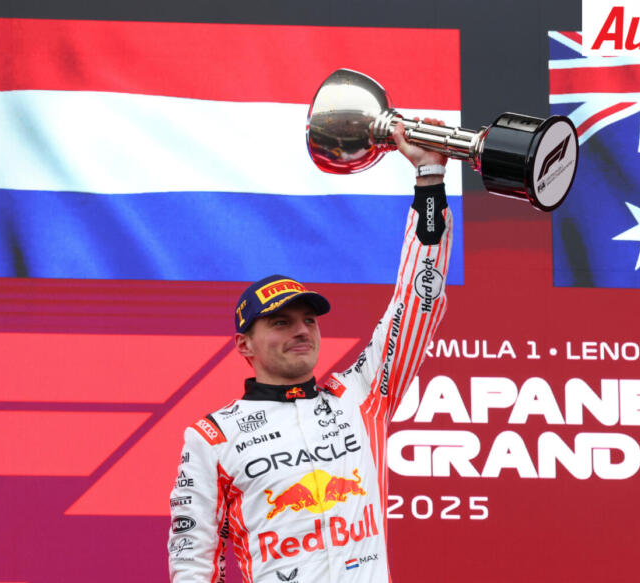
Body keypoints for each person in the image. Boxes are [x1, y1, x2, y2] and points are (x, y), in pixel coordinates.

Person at [168, 120, 453, 583]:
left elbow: (418, 298)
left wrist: (429, 179)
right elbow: (193, 563)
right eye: (281, 322)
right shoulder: (211, 438)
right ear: (245, 345)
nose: (301, 331)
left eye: (309, 320)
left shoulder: (361, 397)